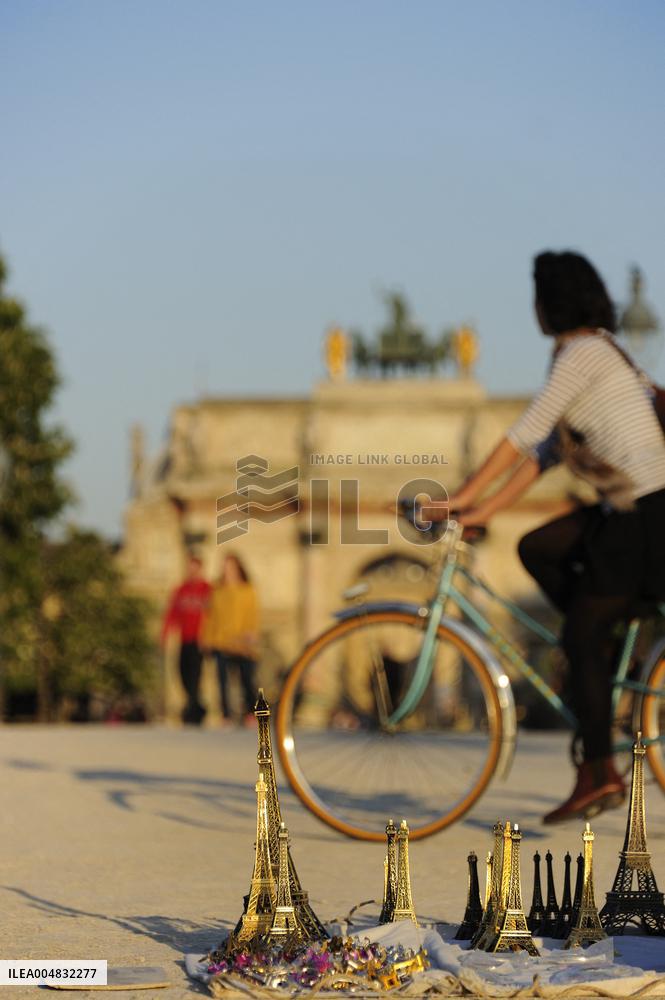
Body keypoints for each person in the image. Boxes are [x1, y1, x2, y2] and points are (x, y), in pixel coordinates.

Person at [447, 250, 665, 824]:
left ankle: (600, 773)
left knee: (580, 631)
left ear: (551, 302)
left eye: (537, 297)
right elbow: (544, 454)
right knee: (535, 546)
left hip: (648, 513)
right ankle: (598, 644)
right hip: (628, 509)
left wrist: (461, 495)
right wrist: (482, 508)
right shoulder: (587, 351)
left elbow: (524, 433)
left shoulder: (583, 351)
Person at [201, 553, 259, 725]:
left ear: (238, 568)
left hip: (242, 641)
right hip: (221, 640)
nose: (226, 570)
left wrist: (251, 632)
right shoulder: (217, 590)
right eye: (224, 566)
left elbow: (252, 613)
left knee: (246, 678)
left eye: (230, 566)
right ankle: (225, 715)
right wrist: (206, 638)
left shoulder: (247, 590)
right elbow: (210, 616)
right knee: (222, 680)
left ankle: (250, 712)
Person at [161, 554, 211, 725]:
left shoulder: (208, 589)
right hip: (184, 639)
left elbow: (213, 616)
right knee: (182, 672)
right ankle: (194, 704)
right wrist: (165, 634)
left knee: (196, 675)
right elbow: (172, 614)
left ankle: (195, 707)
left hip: (200, 640)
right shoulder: (181, 590)